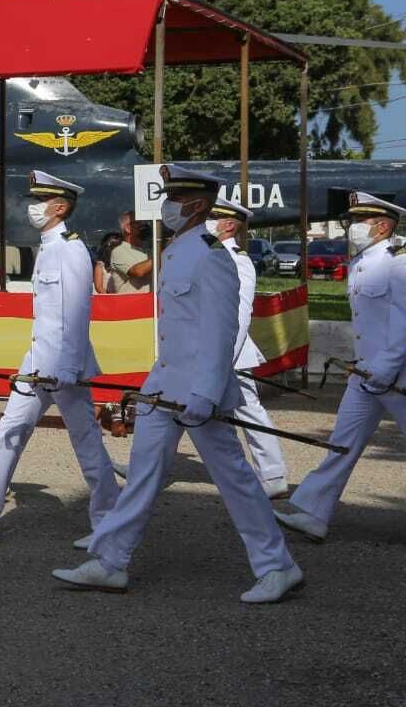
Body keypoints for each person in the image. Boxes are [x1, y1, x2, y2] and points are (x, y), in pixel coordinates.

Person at [52, 164, 302, 603]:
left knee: (235, 480)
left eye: (175, 198)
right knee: (145, 475)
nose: (166, 205)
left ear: (198, 205)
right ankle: (111, 561)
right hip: (164, 386)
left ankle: (278, 566)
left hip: (198, 393)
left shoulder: (212, 256)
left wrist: (205, 393)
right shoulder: (177, 250)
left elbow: (220, 331)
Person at [274, 192, 406, 548]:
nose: (352, 227)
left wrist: (384, 369)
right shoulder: (361, 263)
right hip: (365, 375)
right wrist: (364, 366)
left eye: (360, 221)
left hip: (399, 376)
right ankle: (312, 512)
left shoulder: (400, 264)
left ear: (383, 226)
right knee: (342, 444)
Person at [0, 173, 119, 544]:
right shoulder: (49, 246)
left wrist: (69, 368)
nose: (33, 206)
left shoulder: (70, 249)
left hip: (62, 366)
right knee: (9, 432)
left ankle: (108, 525)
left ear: (61, 207)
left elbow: (76, 313)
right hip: (38, 361)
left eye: (41, 199)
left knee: (86, 440)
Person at [208, 200, 289, 499]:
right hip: (206, 351)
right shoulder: (209, 255)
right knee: (175, 410)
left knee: (248, 411)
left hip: (229, 353)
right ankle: (147, 470)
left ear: (230, 225)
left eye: (213, 216)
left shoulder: (237, 260)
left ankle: (273, 474)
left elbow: (241, 313)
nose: (207, 220)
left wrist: (225, 357)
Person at [106, 211, 152, 293]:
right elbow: (138, 271)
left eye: (144, 222)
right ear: (128, 228)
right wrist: (162, 254)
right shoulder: (119, 250)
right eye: (139, 223)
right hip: (131, 304)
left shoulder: (148, 250)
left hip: (151, 302)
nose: (144, 226)